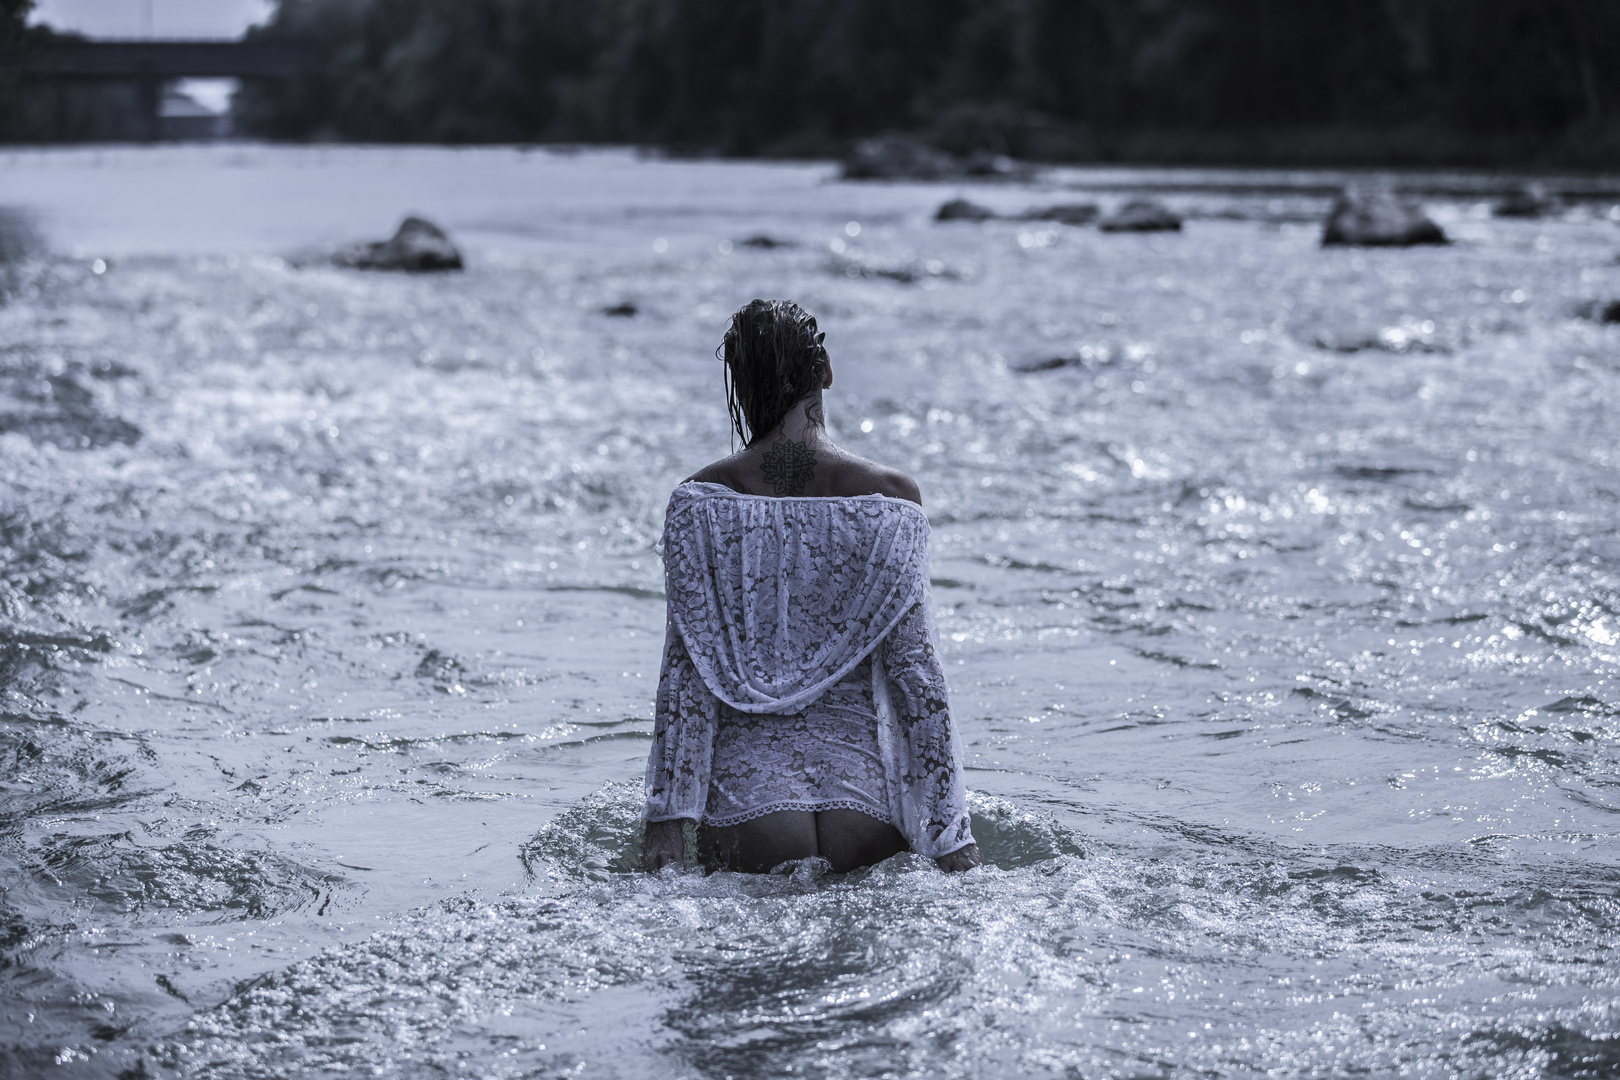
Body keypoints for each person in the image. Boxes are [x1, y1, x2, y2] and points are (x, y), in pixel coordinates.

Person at [641, 299, 981, 874]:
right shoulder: (890, 502)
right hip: (867, 809)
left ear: (740, 387)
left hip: (752, 812)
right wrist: (954, 842)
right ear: (824, 370)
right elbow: (917, 680)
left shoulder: (700, 506)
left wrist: (664, 831)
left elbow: (685, 681)